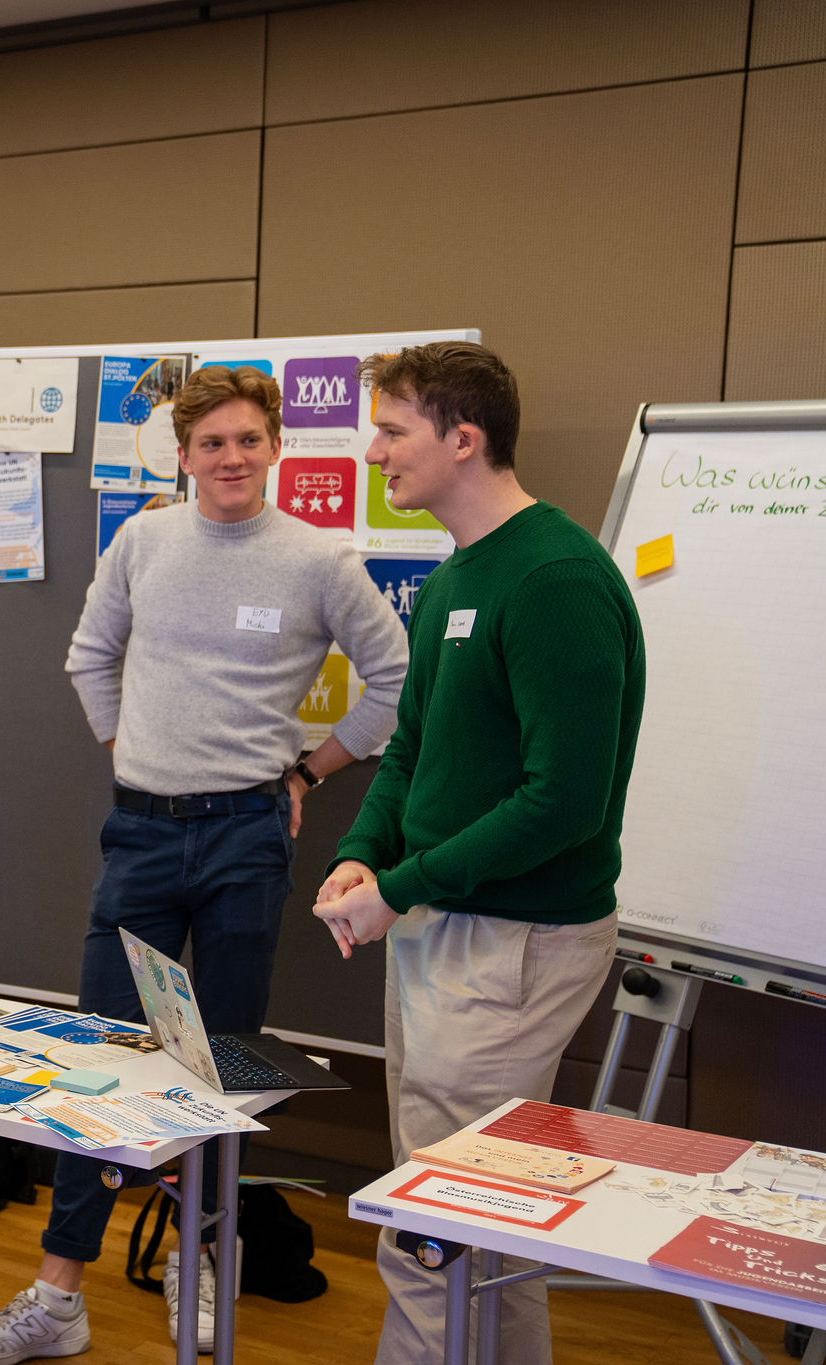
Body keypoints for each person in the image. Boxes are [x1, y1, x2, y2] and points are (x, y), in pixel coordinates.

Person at [0, 365, 410, 1362]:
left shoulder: (319, 559)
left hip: (246, 836)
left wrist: (308, 771)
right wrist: (133, 751)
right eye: (211, 444)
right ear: (184, 454)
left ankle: (197, 1269)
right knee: (102, 1055)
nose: (230, 458)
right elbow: (87, 655)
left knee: (221, 1065)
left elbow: (393, 682)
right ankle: (57, 1293)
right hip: (141, 832)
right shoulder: (142, 539)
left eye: (247, 440)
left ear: (274, 446)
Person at [313, 342, 644, 1364]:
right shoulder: (462, 568)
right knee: (477, 1224)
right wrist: (365, 853)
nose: (372, 452)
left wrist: (400, 885)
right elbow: (412, 745)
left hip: (515, 940)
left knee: (432, 1233)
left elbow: (563, 803)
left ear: (464, 438)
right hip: (441, 924)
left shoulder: (551, 579)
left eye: (392, 429)